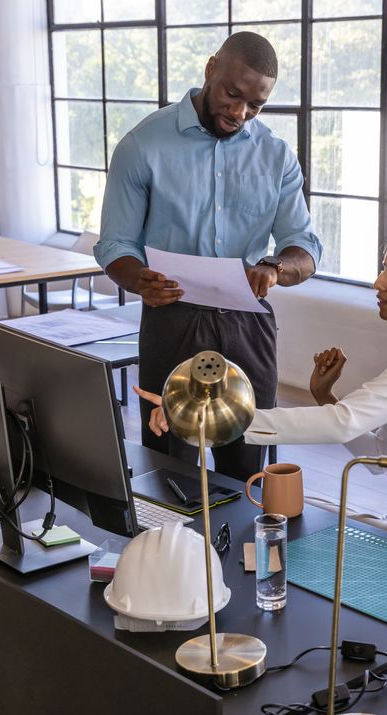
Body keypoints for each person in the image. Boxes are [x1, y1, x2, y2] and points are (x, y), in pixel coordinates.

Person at [137, 229, 387, 562]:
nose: (378, 283)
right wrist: (324, 395)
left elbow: (343, 425)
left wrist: (213, 416)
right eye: (383, 269)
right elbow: (381, 458)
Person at [95, 31, 322, 481]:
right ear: (211, 68)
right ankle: (172, 550)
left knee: (246, 469)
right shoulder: (143, 146)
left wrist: (274, 269)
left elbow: (305, 247)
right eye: (232, 95)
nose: (239, 113)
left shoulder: (276, 156)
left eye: (254, 106)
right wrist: (141, 280)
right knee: (167, 466)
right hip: (171, 320)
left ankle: (239, 551)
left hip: (247, 323)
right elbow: (115, 245)